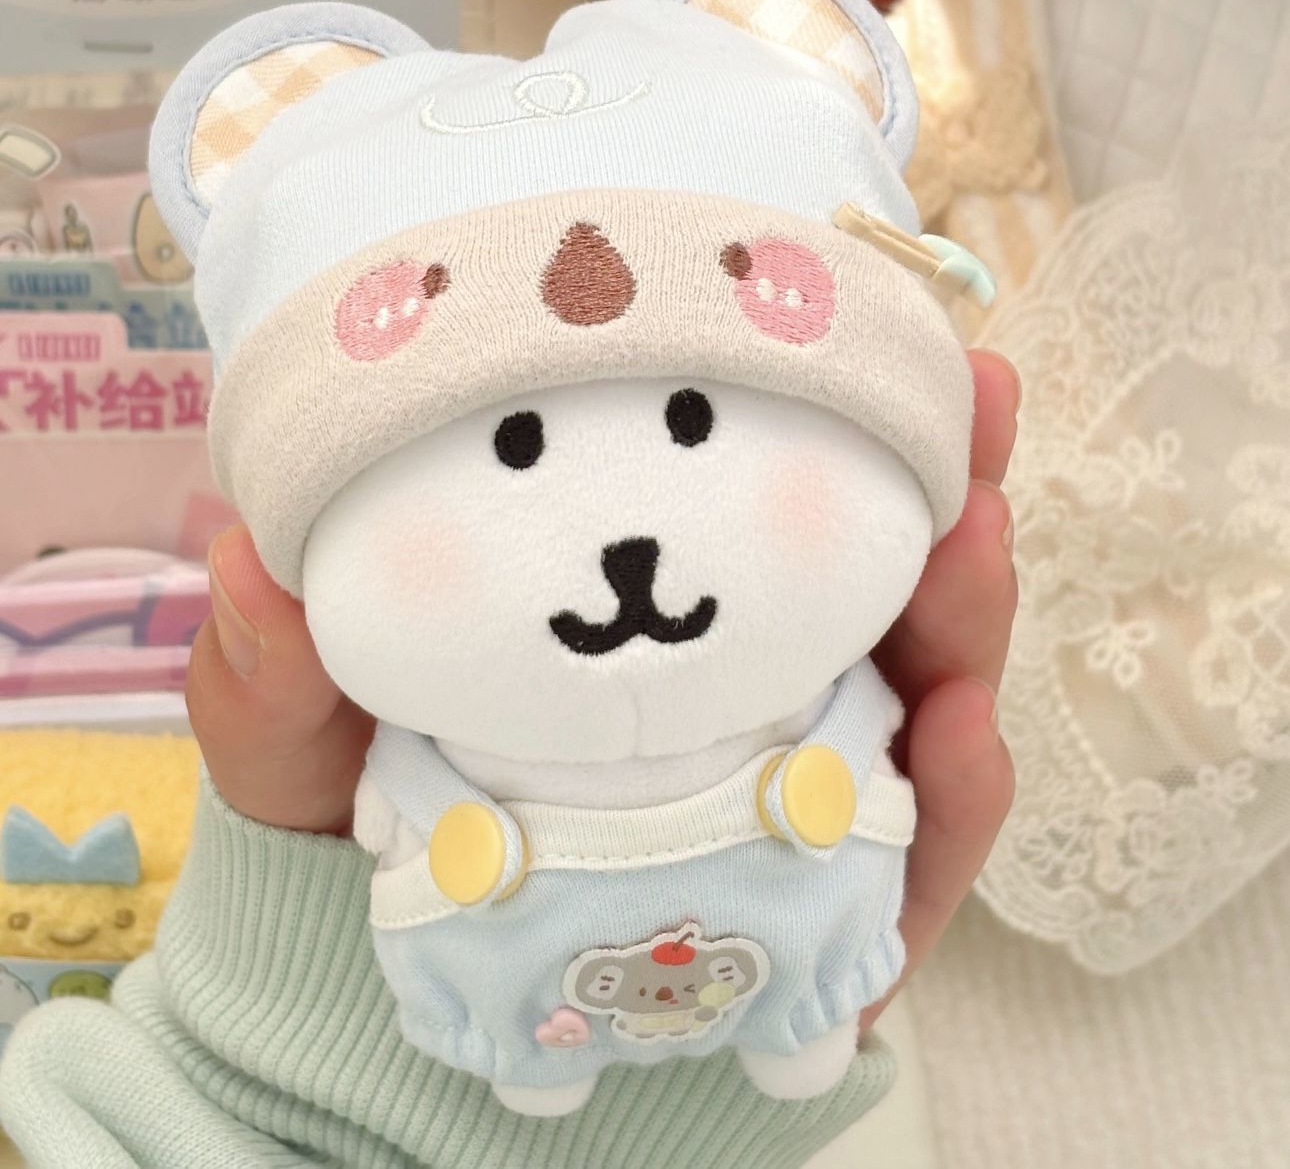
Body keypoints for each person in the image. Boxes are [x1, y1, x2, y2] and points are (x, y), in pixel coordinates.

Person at [0, 353, 1018, 1168]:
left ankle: (758, 1029)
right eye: (517, 446)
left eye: (691, 422)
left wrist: (260, 1063)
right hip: (552, 953)